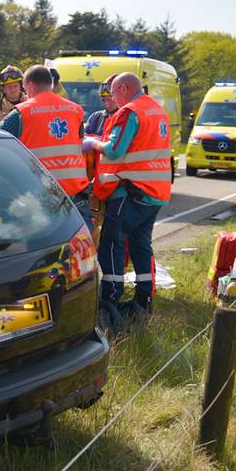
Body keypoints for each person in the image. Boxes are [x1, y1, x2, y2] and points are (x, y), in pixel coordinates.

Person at [85, 71, 173, 321]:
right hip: (154, 193)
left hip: (129, 192)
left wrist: (92, 144)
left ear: (123, 89)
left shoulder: (129, 112)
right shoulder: (156, 109)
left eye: (113, 92)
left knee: (112, 242)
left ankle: (110, 298)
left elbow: (114, 150)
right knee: (140, 246)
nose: (112, 98)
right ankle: (144, 300)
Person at [0, 65, 92, 230]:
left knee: (48, 250)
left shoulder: (21, 113)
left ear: (30, 86)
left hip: (43, 195)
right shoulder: (76, 110)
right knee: (82, 250)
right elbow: (79, 144)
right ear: (50, 84)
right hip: (76, 194)